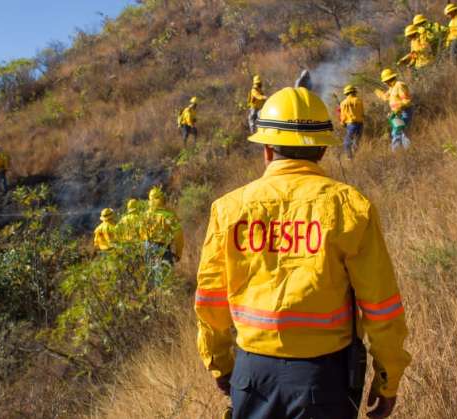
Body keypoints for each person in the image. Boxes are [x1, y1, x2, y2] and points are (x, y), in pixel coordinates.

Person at [195, 86, 411, 419]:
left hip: (252, 375)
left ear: (267, 149)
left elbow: (210, 305)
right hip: (324, 379)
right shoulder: (350, 207)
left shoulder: (228, 210)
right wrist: (387, 380)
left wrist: (221, 366)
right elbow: (381, 307)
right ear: (323, 150)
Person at [374, 69, 412, 152]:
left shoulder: (399, 85)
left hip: (403, 112)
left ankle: (402, 152)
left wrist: (398, 108)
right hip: (396, 114)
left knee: (400, 131)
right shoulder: (392, 88)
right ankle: (401, 152)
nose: (385, 83)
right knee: (397, 132)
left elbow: (406, 100)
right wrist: (379, 93)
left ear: (389, 79)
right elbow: (386, 97)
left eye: (385, 81)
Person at [144, 187, 183, 263]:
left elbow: (141, 236)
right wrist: (178, 253)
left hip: (148, 249)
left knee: (150, 273)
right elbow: (179, 235)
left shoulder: (145, 216)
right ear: (163, 199)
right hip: (164, 251)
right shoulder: (169, 216)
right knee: (165, 273)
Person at [339, 85, 364, 159]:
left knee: (347, 143)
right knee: (356, 142)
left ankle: (350, 158)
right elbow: (362, 113)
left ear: (346, 93)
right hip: (360, 124)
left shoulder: (343, 103)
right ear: (354, 92)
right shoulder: (359, 100)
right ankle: (355, 157)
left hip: (351, 125)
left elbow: (343, 115)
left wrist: (342, 123)